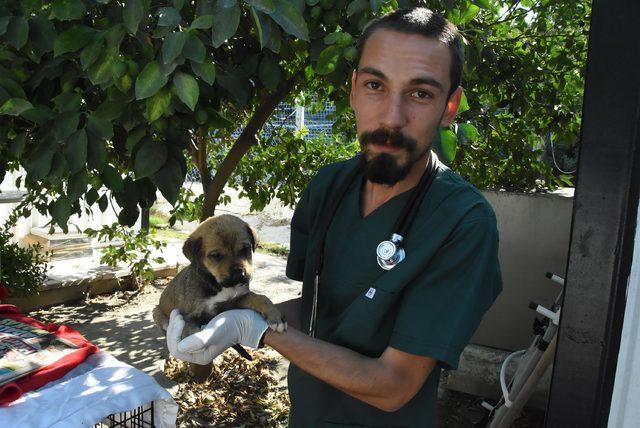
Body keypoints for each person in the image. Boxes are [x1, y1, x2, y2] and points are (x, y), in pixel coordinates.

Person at [167, 7, 502, 427]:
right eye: (376, 85)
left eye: (420, 93)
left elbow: (394, 385)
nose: (391, 118)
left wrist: (255, 330)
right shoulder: (329, 187)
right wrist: (225, 312)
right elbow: (319, 309)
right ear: (354, 90)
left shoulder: (463, 222)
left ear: (450, 106)